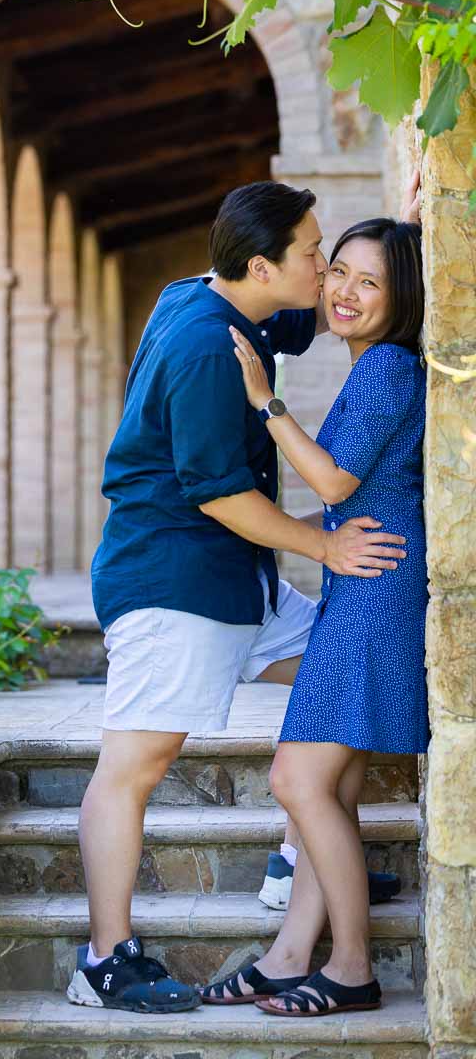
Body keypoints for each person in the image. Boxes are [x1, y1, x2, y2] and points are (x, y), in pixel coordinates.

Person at [66, 182, 410, 1015]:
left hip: (240, 582)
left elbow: (318, 312)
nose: (324, 269)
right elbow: (218, 492)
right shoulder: (200, 347)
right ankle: (105, 962)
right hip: (175, 586)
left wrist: (403, 255)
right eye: (312, 256)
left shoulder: (228, 299)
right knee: (134, 768)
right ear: (262, 265)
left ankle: (302, 855)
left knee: (336, 680)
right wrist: (323, 542)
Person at [202, 217, 427, 1016]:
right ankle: (292, 954)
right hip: (364, 589)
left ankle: (354, 968)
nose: (344, 292)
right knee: (329, 784)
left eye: (371, 282)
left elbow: (332, 485)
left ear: (401, 298)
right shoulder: (380, 366)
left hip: (374, 594)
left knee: (296, 779)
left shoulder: (387, 368)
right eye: (338, 272)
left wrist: (266, 403)